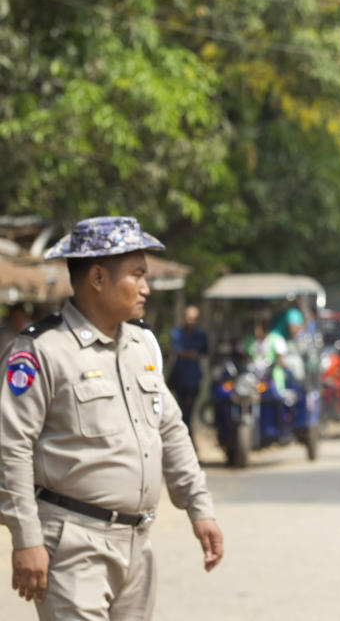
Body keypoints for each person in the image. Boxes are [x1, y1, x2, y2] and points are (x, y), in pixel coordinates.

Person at [0, 216, 223, 620]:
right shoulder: (42, 351)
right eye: (137, 275)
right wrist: (26, 538)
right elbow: (11, 447)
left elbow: (171, 431)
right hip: (71, 545)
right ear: (98, 278)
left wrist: (199, 507)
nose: (146, 287)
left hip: (137, 542)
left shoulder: (141, 346)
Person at [168, 305, 208, 437]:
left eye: (193, 318)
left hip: (193, 380)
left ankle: (189, 439)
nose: (190, 321)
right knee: (180, 412)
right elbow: (178, 351)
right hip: (180, 379)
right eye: (188, 318)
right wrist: (191, 354)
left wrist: (189, 354)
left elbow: (204, 351)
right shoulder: (177, 333)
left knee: (189, 413)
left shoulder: (200, 335)